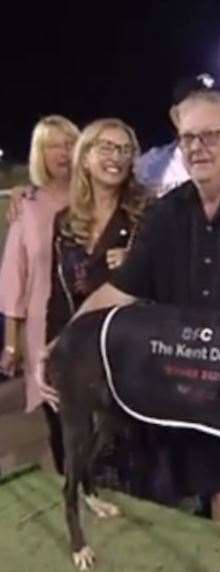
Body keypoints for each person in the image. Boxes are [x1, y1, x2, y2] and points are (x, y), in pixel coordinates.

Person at [42, 88, 220, 539]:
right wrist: (62, 346)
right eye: (188, 137)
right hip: (200, 393)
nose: (196, 147)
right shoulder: (168, 212)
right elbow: (117, 291)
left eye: (210, 135)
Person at [45, 118, 148, 478]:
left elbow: (170, 282)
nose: (116, 157)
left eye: (124, 149)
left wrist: (138, 264)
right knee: (78, 456)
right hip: (79, 354)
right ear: (85, 156)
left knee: (129, 465)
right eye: (106, 147)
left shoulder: (148, 214)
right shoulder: (64, 222)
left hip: (129, 360)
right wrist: (51, 354)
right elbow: (58, 296)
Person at [0, 115, 79, 470]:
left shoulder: (94, 197)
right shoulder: (27, 206)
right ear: (40, 155)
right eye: (53, 146)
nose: (63, 152)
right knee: (57, 415)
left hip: (89, 319)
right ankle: (71, 485)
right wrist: (12, 342)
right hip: (42, 328)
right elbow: (14, 278)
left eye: (69, 143)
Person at [135, 73, 220, 196]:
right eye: (193, 105)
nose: (203, 113)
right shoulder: (148, 167)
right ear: (174, 115)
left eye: (211, 104)